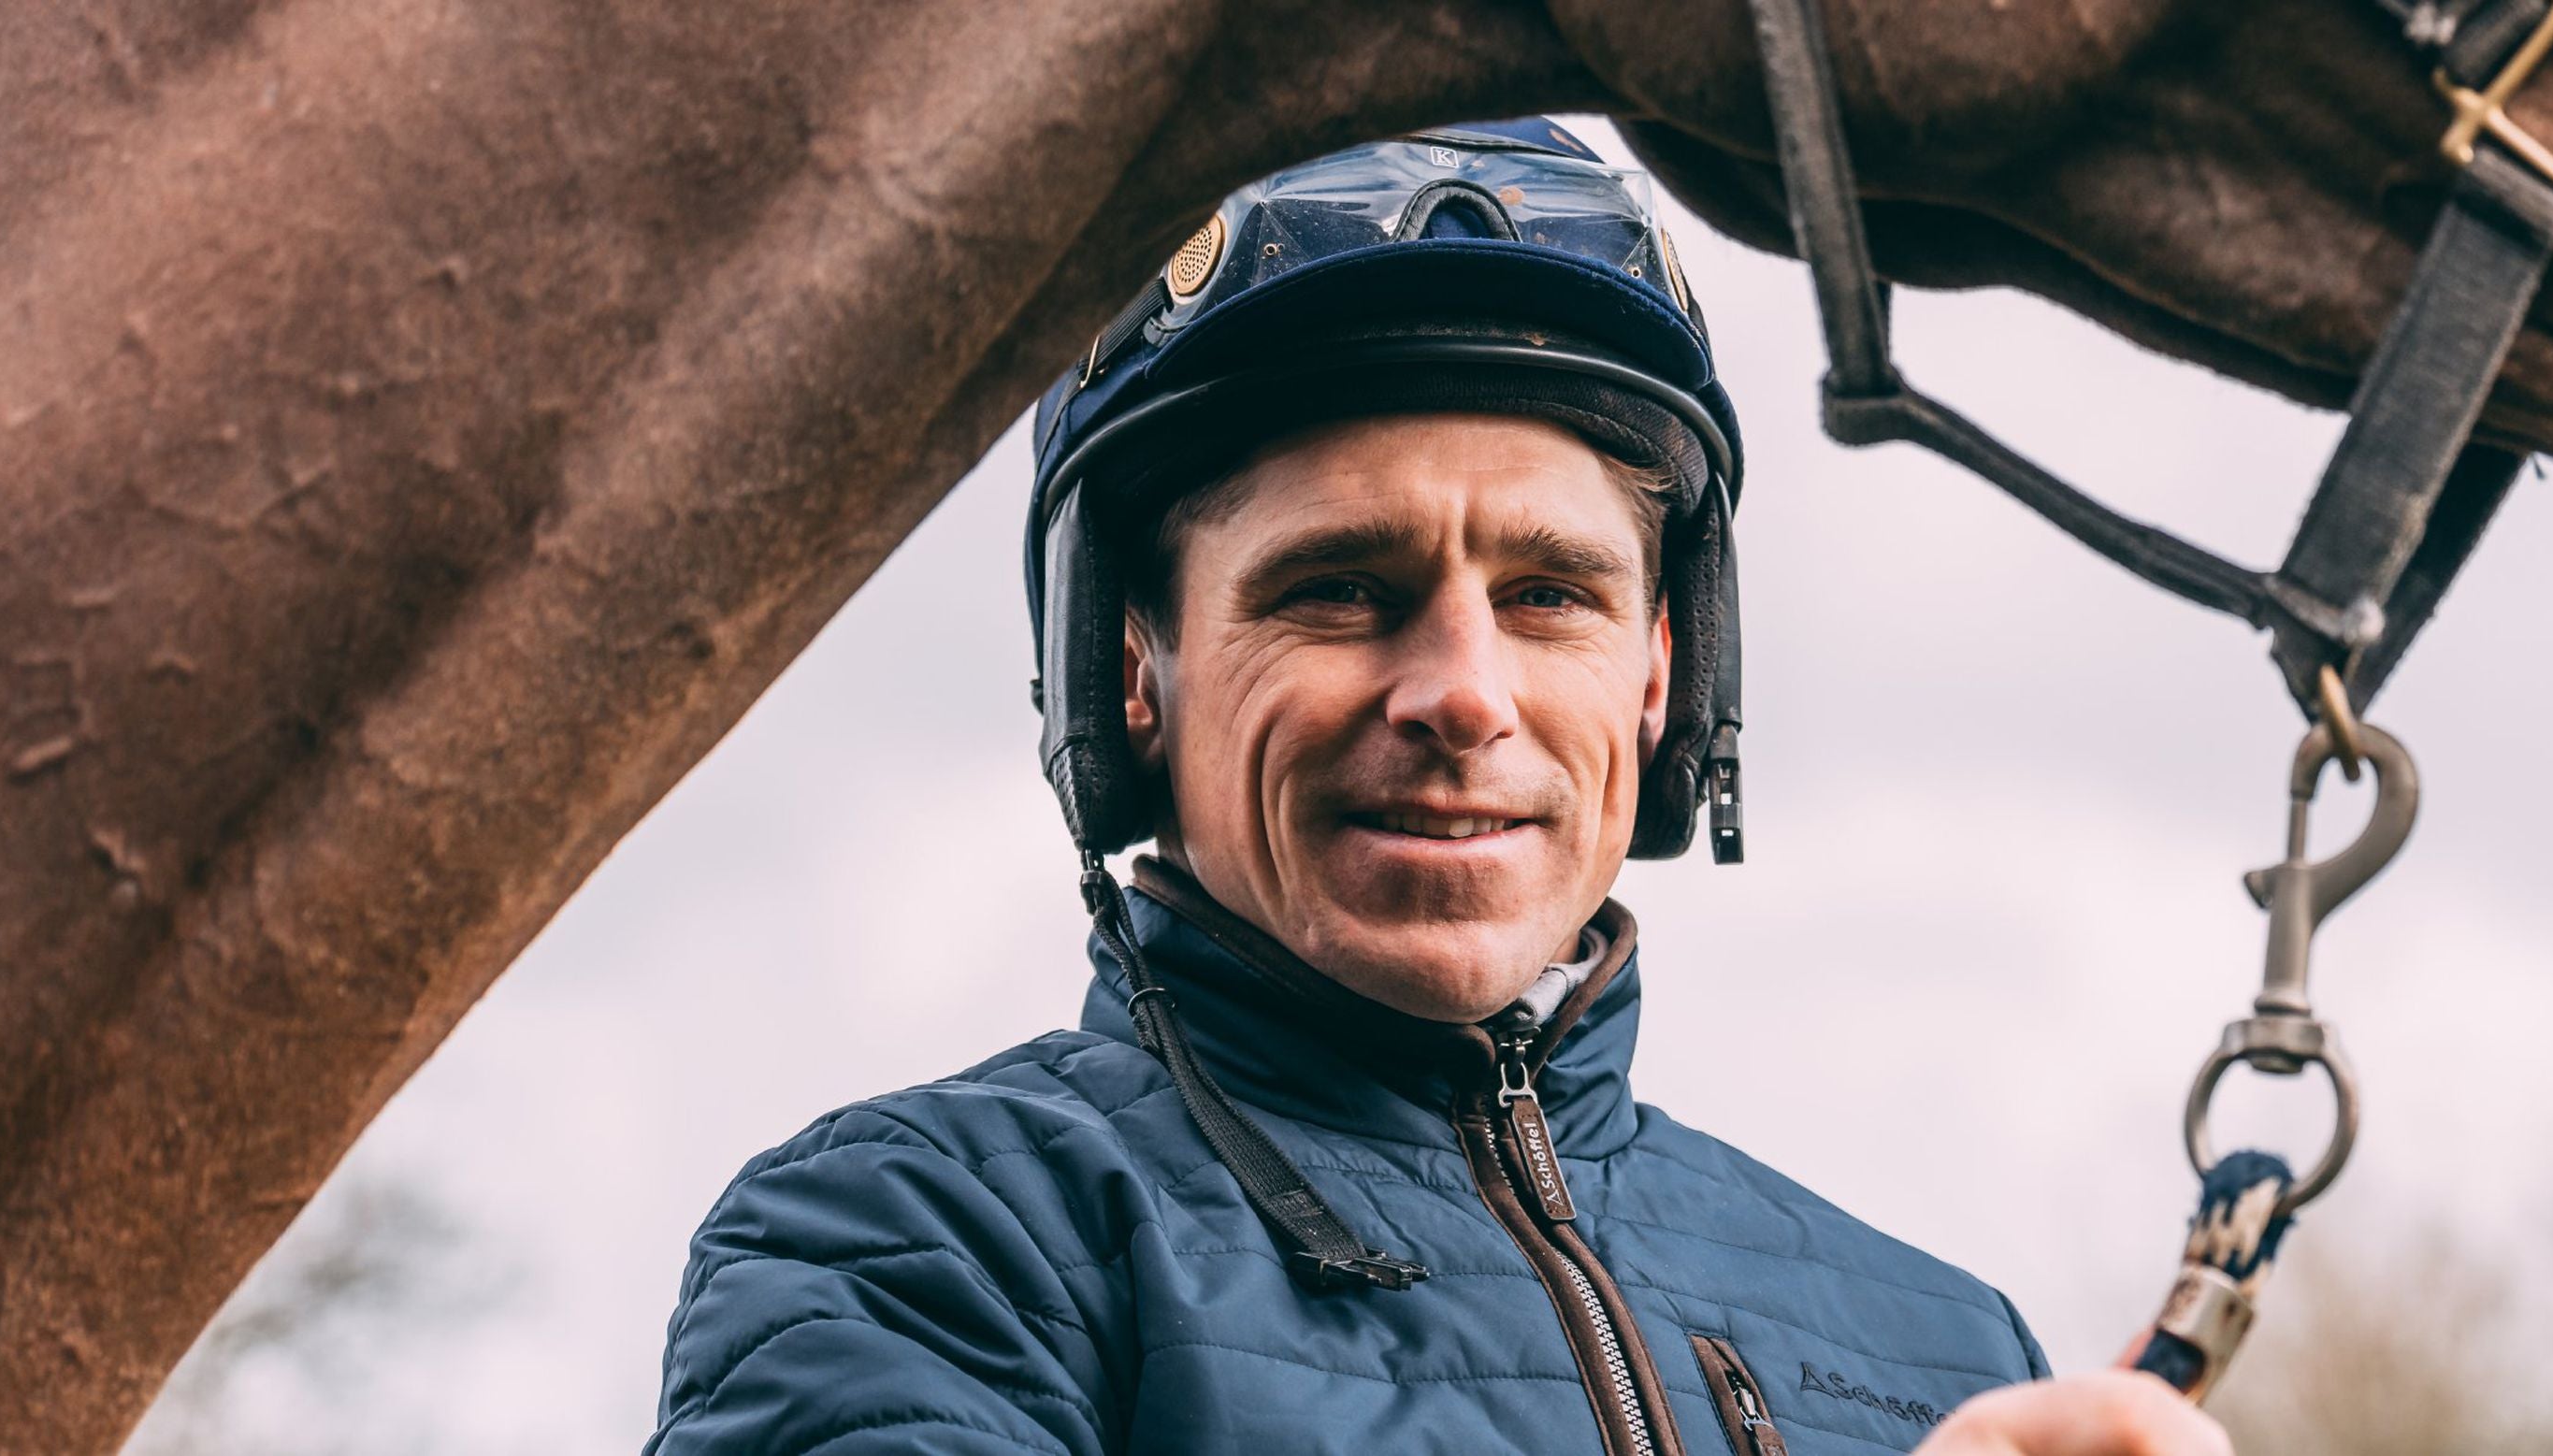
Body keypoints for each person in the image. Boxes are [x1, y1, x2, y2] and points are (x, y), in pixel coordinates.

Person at [649, 118, 2226, 1456]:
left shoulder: (1950, 1344)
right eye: (1338, 586)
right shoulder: (911, 1249)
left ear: (1666, 676)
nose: (1465, 691)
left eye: (1551, 595)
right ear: (1131, 671)